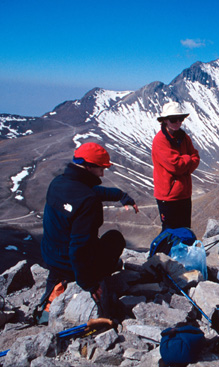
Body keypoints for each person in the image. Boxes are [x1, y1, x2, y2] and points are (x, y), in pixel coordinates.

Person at [39, 142, 139, 320]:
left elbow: (90, 191)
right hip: (71, 263)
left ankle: (53, 292)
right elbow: (79, 247)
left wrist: (120, 196)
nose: (102, 173)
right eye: (101, 168)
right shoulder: (88, 201)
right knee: (115, 238)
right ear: (88, 167)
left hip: (51, 257)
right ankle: (85, 277)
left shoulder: (57, 183)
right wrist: (89, 284)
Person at [152, 101, 200, 231]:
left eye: (181, 119)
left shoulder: (184, 137)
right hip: (168, 197)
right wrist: (187, 159)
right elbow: (175, 166)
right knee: (170, 231)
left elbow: (196, 158)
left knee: (185, 229)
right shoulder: (160, 140)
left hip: (184, 193)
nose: (178, 123)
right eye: (174, 120)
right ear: (165, 121)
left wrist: (185, 163)